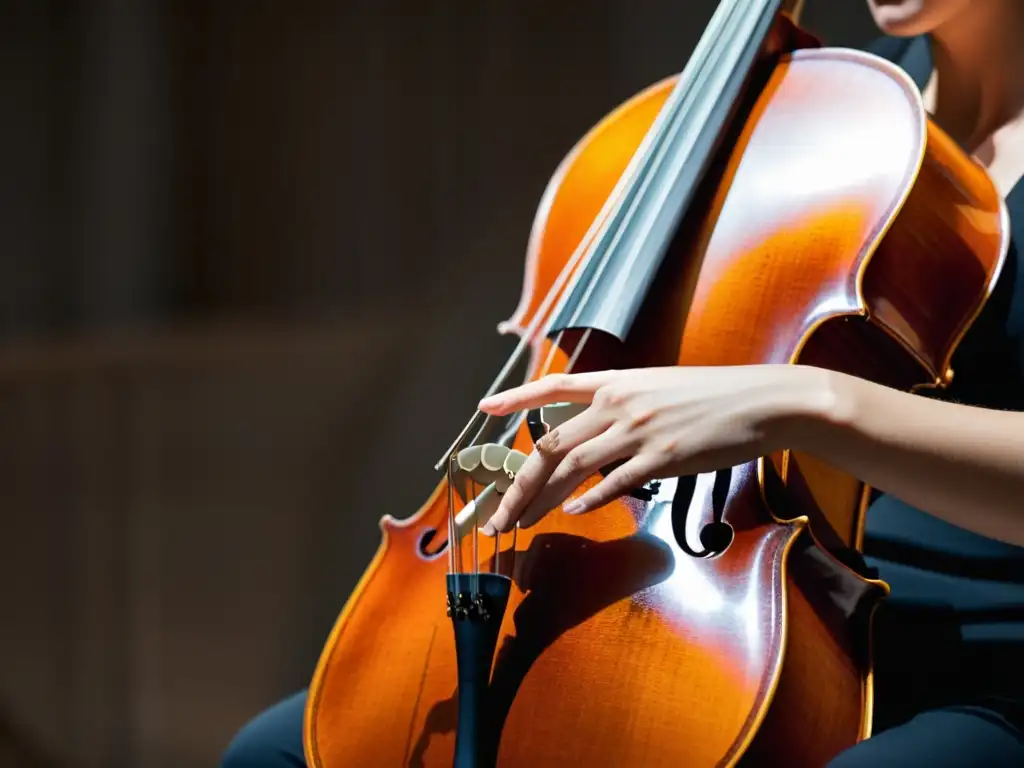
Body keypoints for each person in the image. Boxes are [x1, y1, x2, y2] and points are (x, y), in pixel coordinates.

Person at [222, 0, 1024, 764]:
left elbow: (777, 404)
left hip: (992, 652)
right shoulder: (817, 107)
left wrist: (804, 402)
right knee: (277, 752)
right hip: (779, 603)